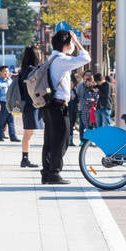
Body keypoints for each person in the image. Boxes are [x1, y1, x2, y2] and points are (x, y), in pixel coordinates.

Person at [40, 29, 90, 185]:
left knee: (49, 139)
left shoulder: (51, 58)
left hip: (49, 104)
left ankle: (47, 172)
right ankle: (54, 172)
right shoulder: (61, 59)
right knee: (62, 140)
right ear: (66, 44)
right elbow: (86, 58)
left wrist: (72, 42)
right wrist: (76, 41)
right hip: (58, 105)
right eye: (70, 44)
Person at [17, 46, 43, 168]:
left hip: (27, 105)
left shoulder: (24, 70)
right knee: (28, 134)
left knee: (28, 133)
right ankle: (25, 159)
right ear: (36, 57)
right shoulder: (33, 70)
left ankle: (24, 158)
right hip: (34, 104)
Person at [0, 66, 18, 143]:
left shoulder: (10, 81)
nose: (6, 73)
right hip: (2, 104)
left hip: (10, 103)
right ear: (0, 72)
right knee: (1, 121)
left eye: (7, 71)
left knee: (11, 120)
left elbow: (14, 92)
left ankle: (13, 137)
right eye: (4, 71)